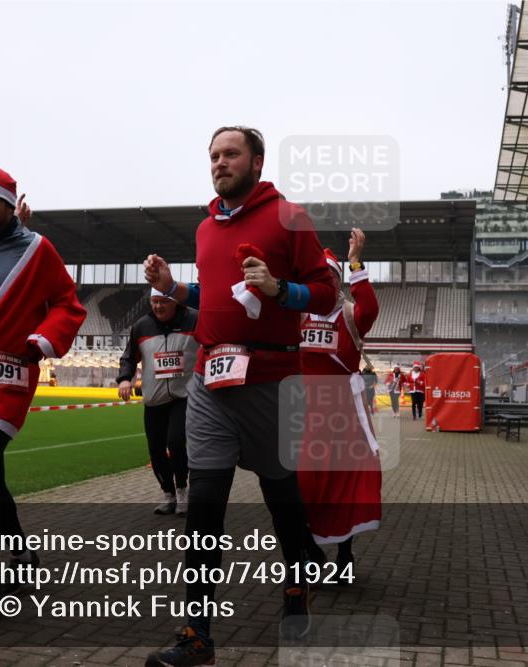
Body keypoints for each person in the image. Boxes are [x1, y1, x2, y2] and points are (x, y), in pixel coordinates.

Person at [143, 126, 338, 666]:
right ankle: (197, 635)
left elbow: (327, 294)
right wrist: (171, 287)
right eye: (213, 155)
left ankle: (296, 587)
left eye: (230, 154)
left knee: (282, 500)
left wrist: (280, 289)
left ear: (257, 161)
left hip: (271, 379)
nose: (219, 163)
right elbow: (213, 295)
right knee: (204, 508)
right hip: (211, 378)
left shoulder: (289, 217)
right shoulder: (206, 228)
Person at [0, 165, 85, 649]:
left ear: (9, 206)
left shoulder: (37, 249)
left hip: (7, 375)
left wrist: (42, 340)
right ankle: (23, 554)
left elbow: (68, 303)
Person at [298, 230, 381, 582]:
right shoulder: (298, 316)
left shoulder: (349, 315)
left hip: (345, 413)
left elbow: (370, 308)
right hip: (304, 412)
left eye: (331, 277)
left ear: (338, 281)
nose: (326, 282)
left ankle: (344, 554)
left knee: (345, 484)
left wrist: (355, 262)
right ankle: (311, 551)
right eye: (320, 277)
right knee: (302, 484)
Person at [117, 287, 198, 516]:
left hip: (184, 396)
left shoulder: (194, 319)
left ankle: (182, 491)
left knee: (176, 442)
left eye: (163, 302)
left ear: (175, 302)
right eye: (154, 302)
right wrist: (125, 379)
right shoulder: (142, 326)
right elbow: (129, 357)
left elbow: (210, 345)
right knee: (156, 451)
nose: (158, 307)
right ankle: (168, 493)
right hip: (154, 399)